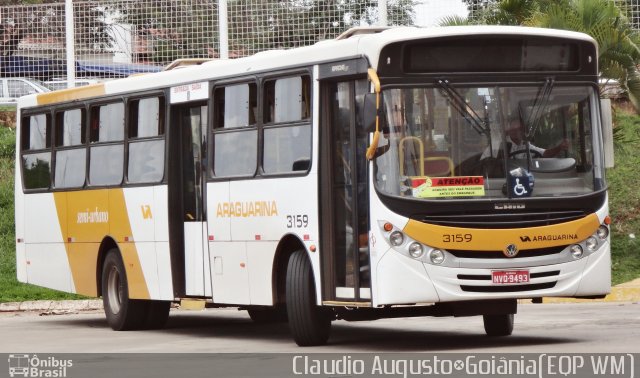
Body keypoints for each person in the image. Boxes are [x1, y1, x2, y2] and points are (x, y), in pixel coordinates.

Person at [481, 118, 569, 160]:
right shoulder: (497, 145)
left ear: (523, 131)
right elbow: (483, 164)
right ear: (509, 130)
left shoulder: (526, 145)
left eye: (519, 129)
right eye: (513, 129)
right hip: (501, 180)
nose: (516, 132)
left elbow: (545, 153)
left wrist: (559, 147)